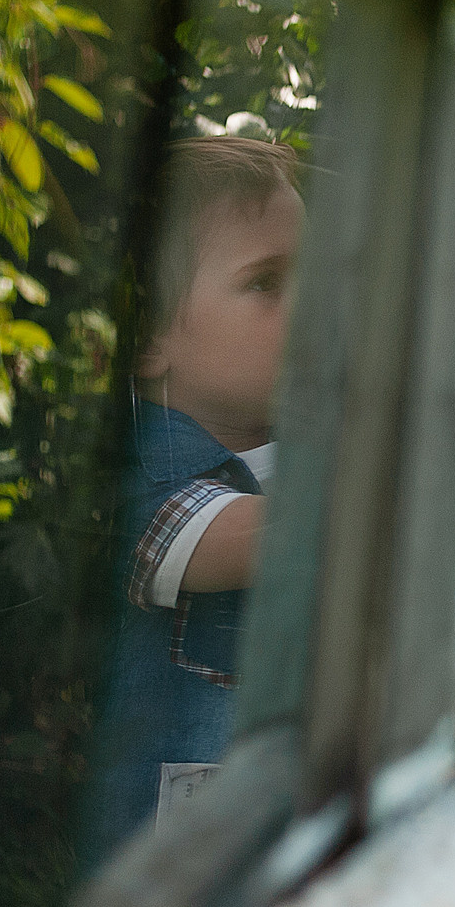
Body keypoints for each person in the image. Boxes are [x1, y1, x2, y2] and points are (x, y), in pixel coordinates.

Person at [87, 134, 302, 860]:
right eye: (267, 283)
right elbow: (288, 537)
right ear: (149, 338)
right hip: (171, 865)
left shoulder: (296, 454)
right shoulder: (148, 474)